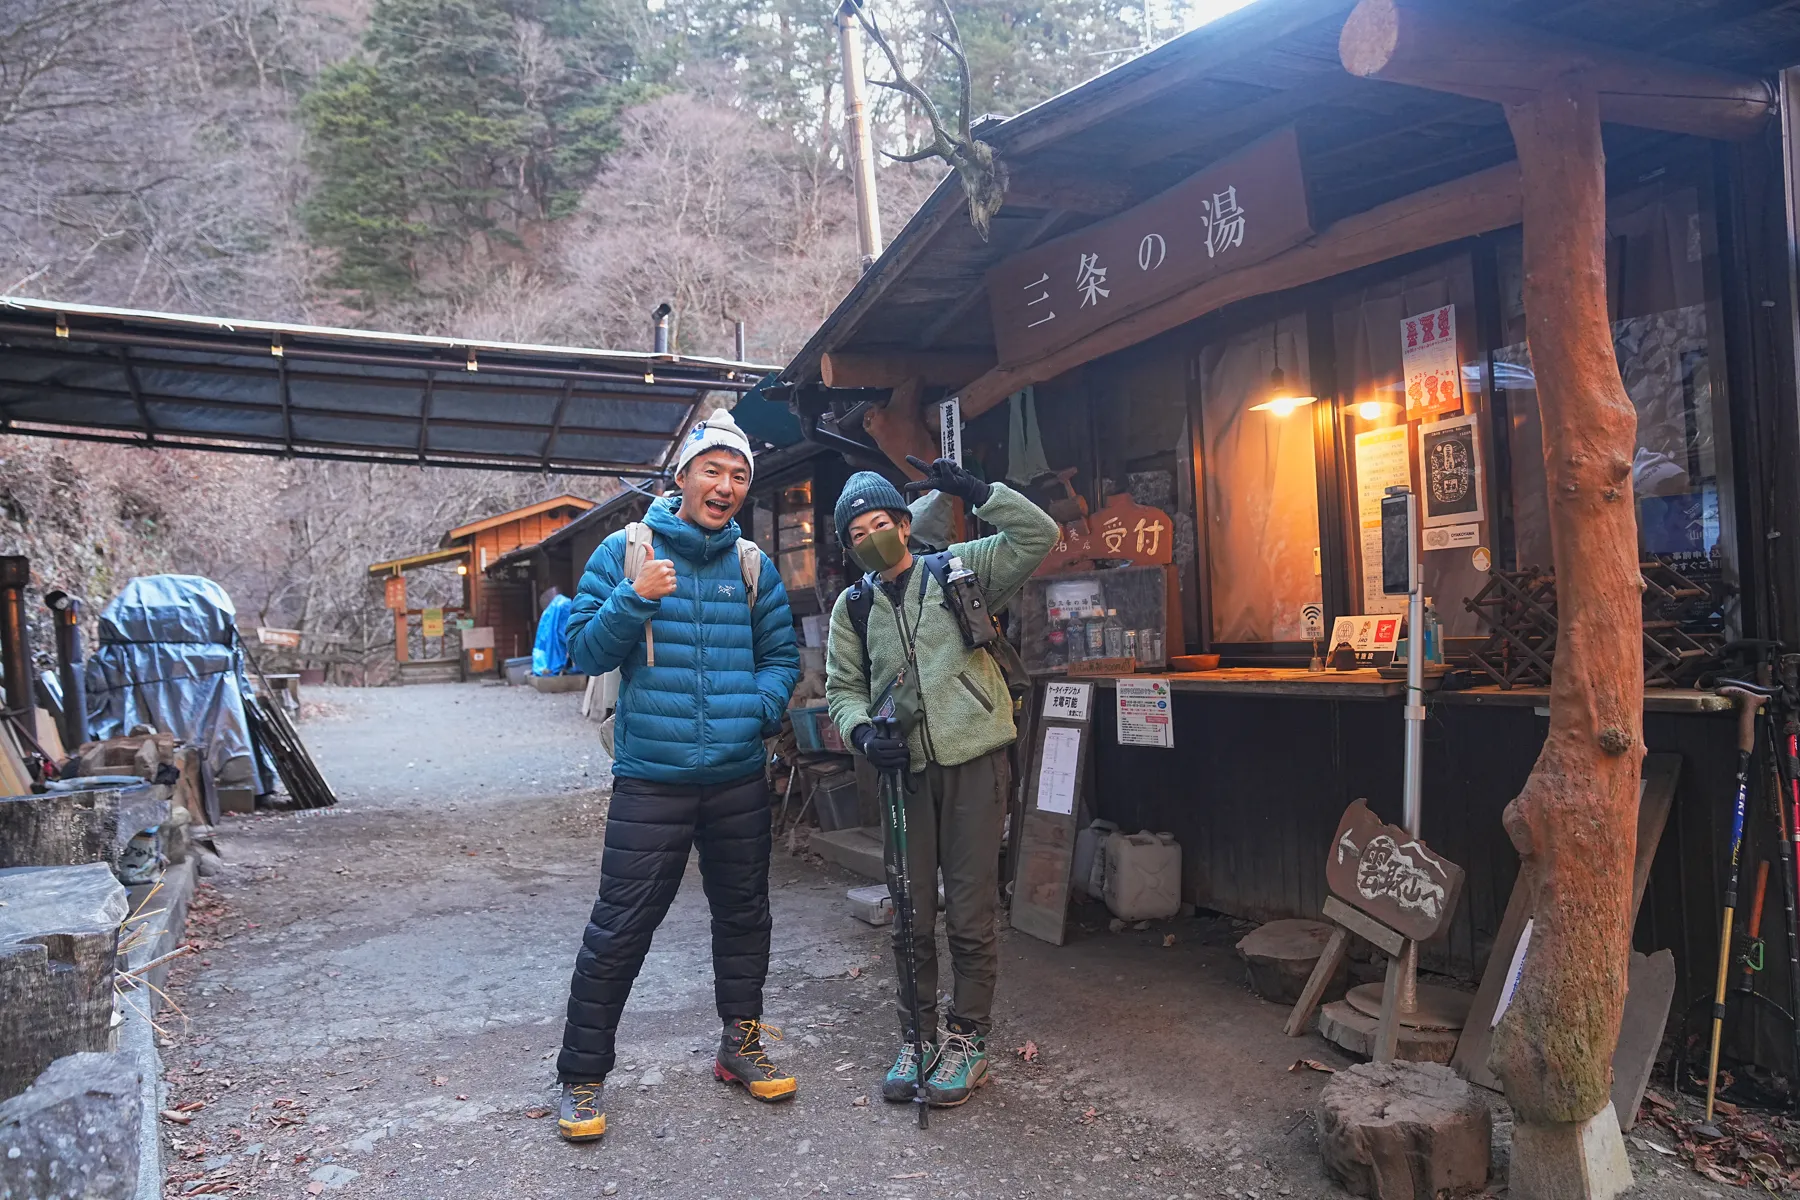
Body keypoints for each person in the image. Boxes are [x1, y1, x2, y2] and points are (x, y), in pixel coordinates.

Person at [554, 410, 801, 1142]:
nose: (725, 486)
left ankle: (739, 1046)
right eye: (713, 471)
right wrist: (635, 599)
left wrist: (755, 712)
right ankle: (582, 1076)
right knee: (621, 927)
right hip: (651, 777)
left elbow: (781, 658)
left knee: (744, 915)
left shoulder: (752, 566)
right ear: (683, 477)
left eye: (739, 476)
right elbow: (582, 652)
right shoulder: (624, 552)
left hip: (735, 778)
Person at [825, 456, 1058, 1108]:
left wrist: (983, 494)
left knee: (970, 909)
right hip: (904, 774)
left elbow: (1038, 536)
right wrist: (863, 734)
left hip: (975, 763)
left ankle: (968, 1038)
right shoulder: (856, 604)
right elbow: (843, 690)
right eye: (858, 531)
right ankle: (917, 1034)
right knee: (910, 916)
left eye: (882, 522)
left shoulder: (958, 568)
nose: (872, 536)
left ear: (904, 524)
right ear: (850, 546)